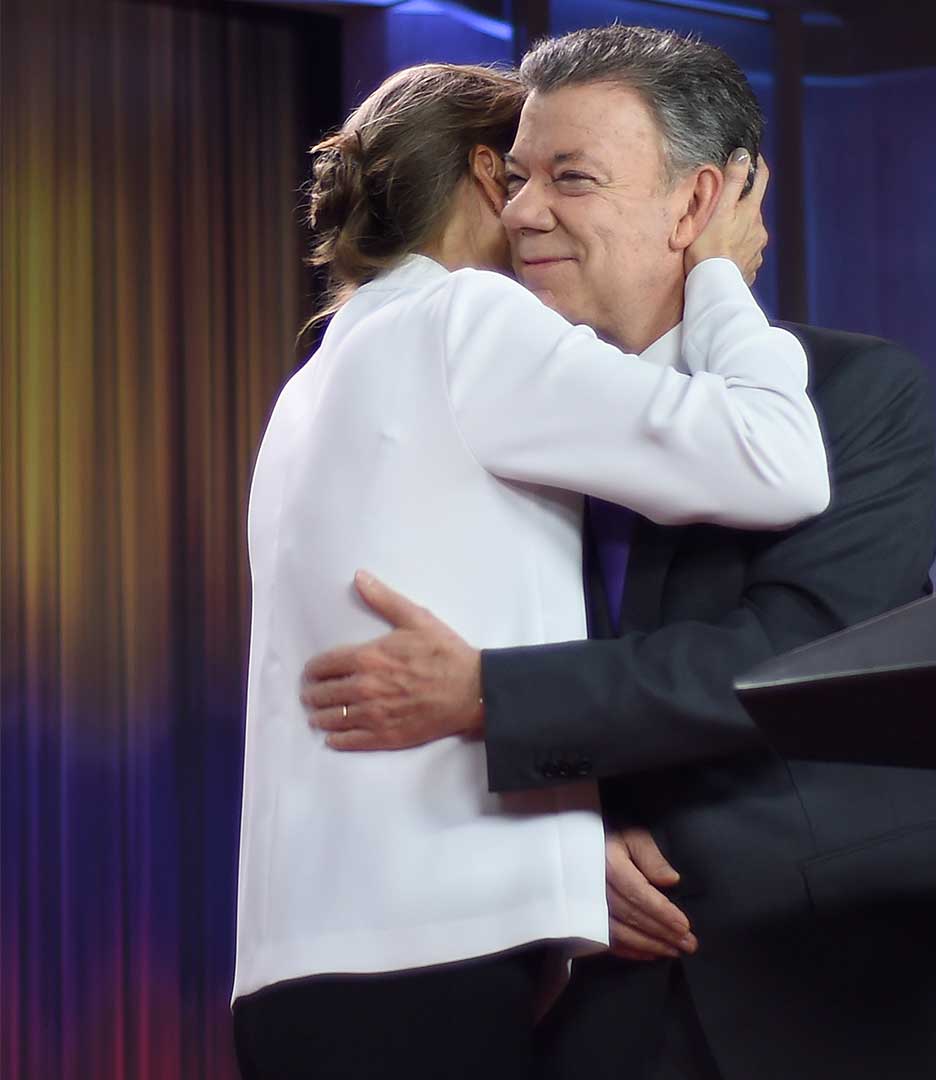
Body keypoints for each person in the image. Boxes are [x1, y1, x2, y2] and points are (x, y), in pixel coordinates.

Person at [300, 27, 936, 1080]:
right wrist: (562, 848)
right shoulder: (499, 415)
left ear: (696, 205)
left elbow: (797, 649)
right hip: (607, 1013)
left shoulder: (857, 393)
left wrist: (495, 694)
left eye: (571, 178)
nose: (523, 211)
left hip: (851, 989)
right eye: (518, 176)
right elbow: (395, 686)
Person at [232, 61, 828, 1080]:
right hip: (428, 971)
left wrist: (564, 845)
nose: (543, 213)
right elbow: (776, 460)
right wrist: (721, 271)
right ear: (486, 177)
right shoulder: (466, 318)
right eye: (530, 176)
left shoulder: (323, 372)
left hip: (308, 974)